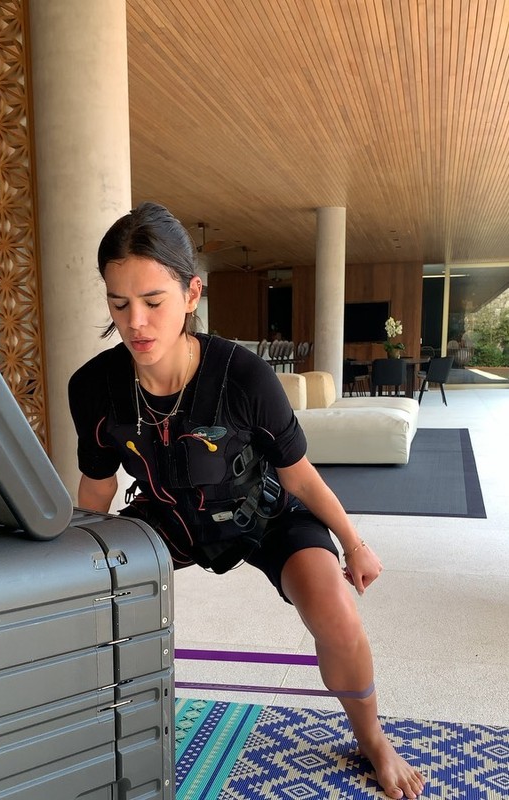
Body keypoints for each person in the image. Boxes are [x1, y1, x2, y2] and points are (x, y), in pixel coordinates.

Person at [68, 202, 425, 800]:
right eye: (119, 303)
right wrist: (74, 575)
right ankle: (110, 731)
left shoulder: (244, 375)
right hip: (166, 520)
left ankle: (372, 738)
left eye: (153, 301)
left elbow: (300, 476)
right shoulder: (94, 387)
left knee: (337, 614)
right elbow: (97, 491)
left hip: (264, 514)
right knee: (92, 614)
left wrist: (354, 543)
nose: (136, 322)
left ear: (191, 293)